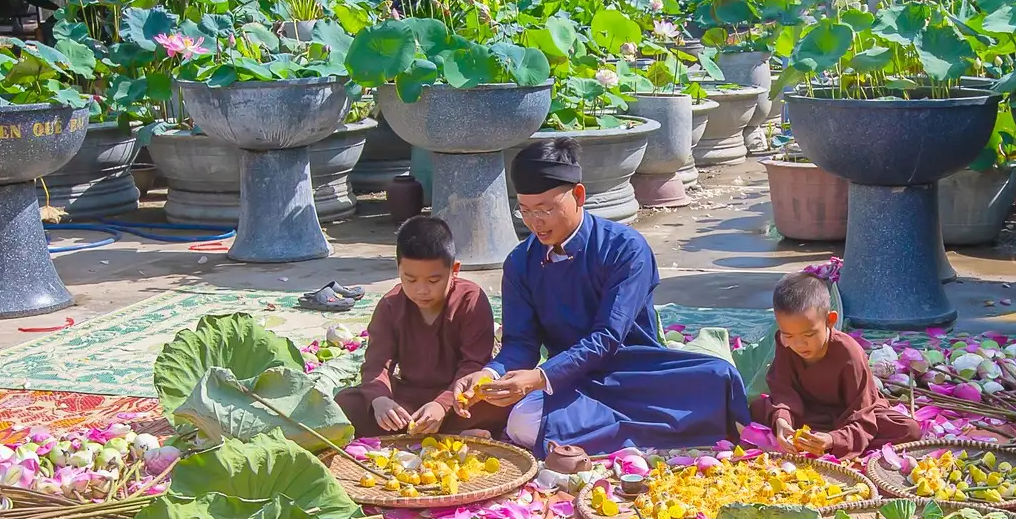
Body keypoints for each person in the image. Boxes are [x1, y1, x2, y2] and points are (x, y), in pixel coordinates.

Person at [450, 139, 747, 455]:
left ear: (578, 196)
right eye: (525, 210)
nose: (535, 222)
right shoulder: (520, 263)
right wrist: (488, 374)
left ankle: (612, 430)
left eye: (546, 209)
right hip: (570, 382)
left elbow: (608, 337)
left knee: (719, 378)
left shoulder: (626, 249)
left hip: (636, 376)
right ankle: (649, 431)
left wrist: (538, 377)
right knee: (523, 422)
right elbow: (520, 344)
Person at [335, 216, 507, 438]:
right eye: (410, 279)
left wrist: (441, 405)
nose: (421, 290)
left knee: (500, 402)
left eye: (433, 281)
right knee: (347, 403)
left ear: (454, 270)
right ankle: (453, 433)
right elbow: (377, 364)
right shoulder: (391, 304)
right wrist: (380, 399)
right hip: (407, 399)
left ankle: (439, 429)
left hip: (457, 397)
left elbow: (473, 364)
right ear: (398, 269)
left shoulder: (470, 299)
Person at [754, 272, 922, 456]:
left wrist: (835, 439)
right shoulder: (785, 343)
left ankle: (829, 443)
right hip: (807, 412)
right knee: (755, 409)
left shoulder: (849, 353)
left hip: (850, 416)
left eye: (808, 335)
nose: (798, 345)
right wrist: (783, 421)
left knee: (908, 429)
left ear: (830, 320)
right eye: (788, 335)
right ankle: (815, 439)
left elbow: (862, 412)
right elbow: (783, 390)